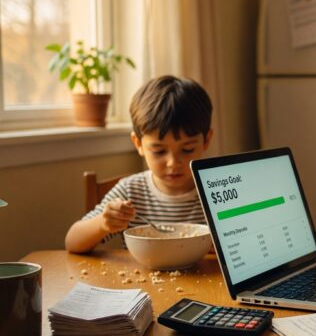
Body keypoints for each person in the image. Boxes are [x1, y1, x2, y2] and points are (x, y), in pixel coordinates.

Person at [65, 76, 214, 253]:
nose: (173, 163)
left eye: (187, 149)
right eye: (159, 151)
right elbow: (72, 242)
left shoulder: (218, 189)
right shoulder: (131, 191)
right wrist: (102, 223)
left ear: (206, 141)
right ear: (138, 144)